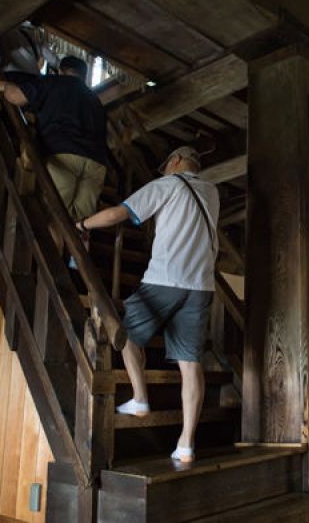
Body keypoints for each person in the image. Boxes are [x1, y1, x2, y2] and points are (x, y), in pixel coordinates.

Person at [75, 146, 219, 463]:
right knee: (191, 364)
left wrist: (82, 225)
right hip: (200, 286)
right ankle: (186, 443)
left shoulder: (167, 185)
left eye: (166, 163)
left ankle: (140, 398)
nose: (164, 169)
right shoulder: (212, 192)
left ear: (177, 161)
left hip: (165, 278)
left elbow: (117, 214)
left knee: (123, 331)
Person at [0, 56, 109, 224]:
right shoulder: (95, 100)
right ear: (84, 76)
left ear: (61, 71)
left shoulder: (54, 82)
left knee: (54, 218)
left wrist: (2, 86)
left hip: (64, 156)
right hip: (97, 164)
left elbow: (18, 96)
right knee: (79, 225)